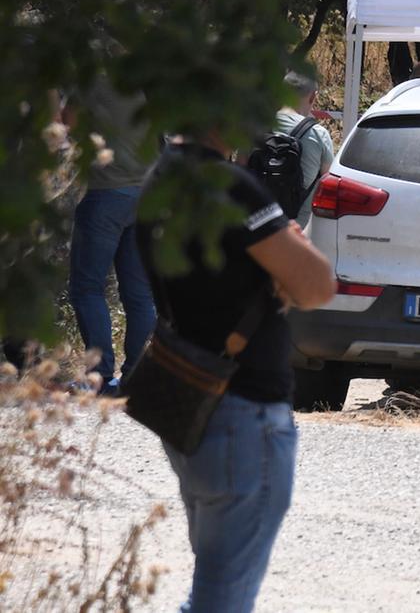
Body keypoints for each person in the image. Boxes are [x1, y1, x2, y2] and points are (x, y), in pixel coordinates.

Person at [136, 132, 336, 613]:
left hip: (190, 400)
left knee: (211, 591)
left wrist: (275, 268)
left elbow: (212, 282)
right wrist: (286, 262)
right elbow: (316, 285)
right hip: (243, 414)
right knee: (220, 602)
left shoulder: (161, 177)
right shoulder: (230, 185)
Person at [65, 74, 158, 396]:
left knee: (87, 288)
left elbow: (68, 120)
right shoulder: (149, 74)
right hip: (145, 193)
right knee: (140, 294)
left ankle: (99, 377)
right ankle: (134, 376)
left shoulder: (94, 74)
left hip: (106, 191)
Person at [276, 71, 335, 229]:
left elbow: (242, 167)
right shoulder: (318, 134)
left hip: (258, 233)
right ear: (312, 97)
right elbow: (329, 182)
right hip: (300, 233)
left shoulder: (257, 127)